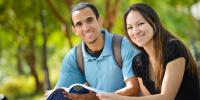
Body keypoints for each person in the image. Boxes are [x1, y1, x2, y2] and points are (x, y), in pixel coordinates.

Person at [96, 3, 199, 100]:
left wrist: (120, 98)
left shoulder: (173, 48)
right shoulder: (138, 62)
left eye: (140, 24)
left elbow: (167, 97)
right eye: (130, 27)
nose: (135, 31)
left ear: (154, 23)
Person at [54, 2, 140, 100]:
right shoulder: (74, 57)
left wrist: (96, 98)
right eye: (79, 24)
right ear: (74, 30)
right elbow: (58, 93)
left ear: (99, 21)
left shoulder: (124, 45)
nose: (86, 28)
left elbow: (134, 88)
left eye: (89, 20)